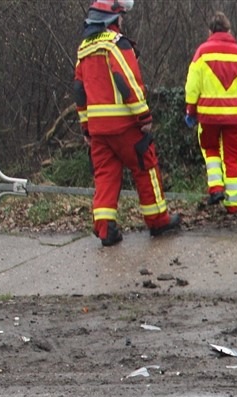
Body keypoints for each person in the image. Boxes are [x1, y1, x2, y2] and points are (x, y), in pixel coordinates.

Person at [74, 0, 181, 247]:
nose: (122, 22)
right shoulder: (116, 44)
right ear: (111, 19)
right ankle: (158, 221)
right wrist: (143, 115)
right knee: (146, 166)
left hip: (98, 130)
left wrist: (85, 126)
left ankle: (105, 229)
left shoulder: (84, 50)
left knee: (105, 176)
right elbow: (127, 81)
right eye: (120, 17)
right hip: (125, 125)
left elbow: (79, 91)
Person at [184, 12, 237, 214]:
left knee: (210, 149)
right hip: (235, 117)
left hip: (208, 115)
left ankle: (216, 187)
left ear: (210, 31)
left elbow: (192, 86)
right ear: (229, 30)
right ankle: (233, 203)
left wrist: (191, 110)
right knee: (232, 157)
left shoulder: (202, 53)